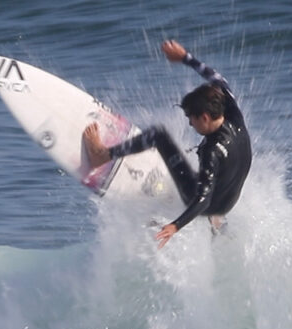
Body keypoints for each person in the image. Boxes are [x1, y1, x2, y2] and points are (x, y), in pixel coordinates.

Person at [83, 40, 252, 249]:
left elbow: (203, 199)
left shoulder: (212, 151)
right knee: (216, 174)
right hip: (229, 202)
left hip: (210, 204)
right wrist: (185, 58)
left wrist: (175, 226)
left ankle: (101, 155)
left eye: (192, 118)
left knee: (158, 135)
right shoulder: (234, 116)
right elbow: (218, 80)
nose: (190, 123)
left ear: (205, 117)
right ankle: (217, 221)